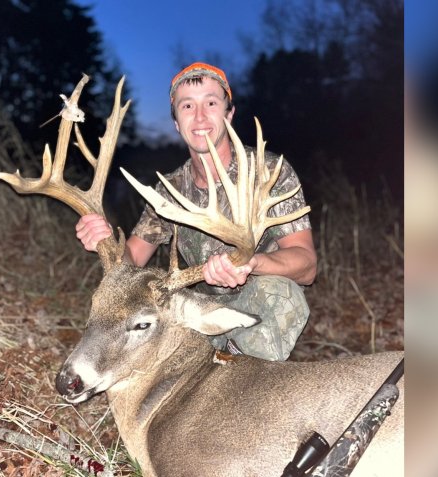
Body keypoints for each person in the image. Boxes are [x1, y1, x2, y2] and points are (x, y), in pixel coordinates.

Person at [76, 62, 317, 361]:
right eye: (187, 106)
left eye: (211, 103)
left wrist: (252, 263)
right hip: (197, 313)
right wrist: (104, 242)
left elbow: (306, 266)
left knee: (281, 295)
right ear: (177, 121)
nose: (200, 116)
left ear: (229, 114)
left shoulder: (269, 173)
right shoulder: (169, 192)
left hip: (258, 306)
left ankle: (239, 375)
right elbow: (132, 261)